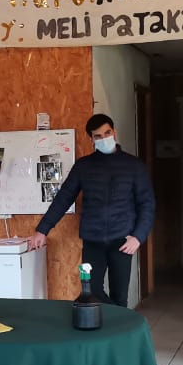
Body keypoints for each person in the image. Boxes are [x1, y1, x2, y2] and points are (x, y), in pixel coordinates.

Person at [30, 113, 155, 307]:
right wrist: (42, 230)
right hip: (93, 241)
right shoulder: (83, 166)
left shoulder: (134, 166)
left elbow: (147, 203)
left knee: (120, 296)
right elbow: (63, 198)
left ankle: (117, 333)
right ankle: (106, 325)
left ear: (114, 132)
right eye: (98, 136)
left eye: (107, 133)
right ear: (91, 139)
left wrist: (138, 237)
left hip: (123, 241)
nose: (104, 138)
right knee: (91, 292)